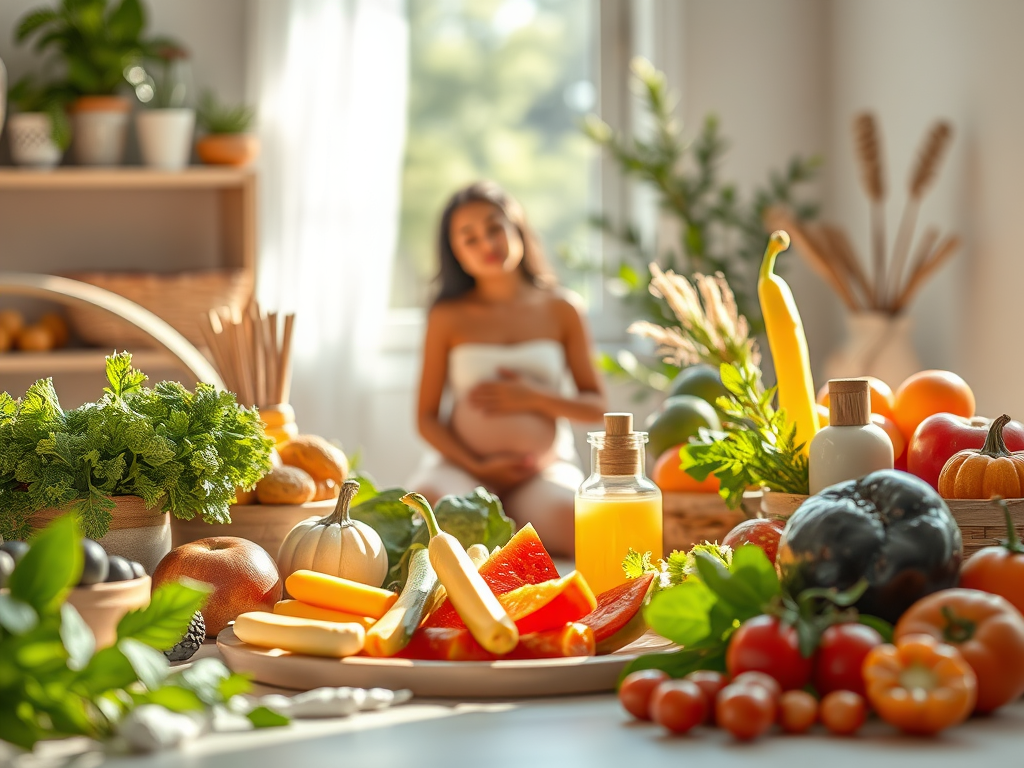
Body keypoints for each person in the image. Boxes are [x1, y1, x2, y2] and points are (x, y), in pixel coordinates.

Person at [407, 181, 607, 556]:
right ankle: (502, 523)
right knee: (434, 511)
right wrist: (479, 464)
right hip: (462, 468)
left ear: (517, 227)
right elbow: (426, 418)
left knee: (583, 525)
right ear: (456, 253)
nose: (487, 244)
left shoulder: (562, 308)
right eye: (469, 238)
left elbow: (596, 405)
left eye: (494, 228)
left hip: (542, 470)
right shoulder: (447, 315)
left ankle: (517, 517)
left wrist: (534, 397)